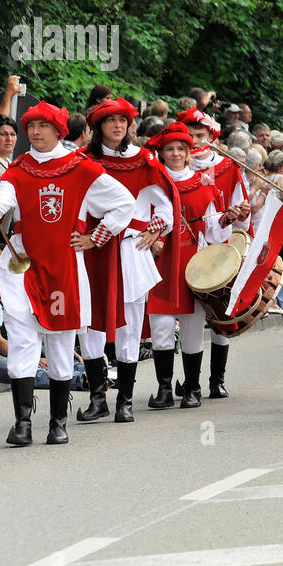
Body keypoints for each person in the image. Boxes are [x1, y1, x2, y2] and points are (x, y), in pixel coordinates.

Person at [0, 101, 137, 446]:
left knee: (62, 342)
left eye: (42, 127)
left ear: (58, 131)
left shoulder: (81, 168)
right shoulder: (17, 170)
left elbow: (125, 202)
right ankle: (22, 424)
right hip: (22, 263)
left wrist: (96, 237)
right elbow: (4, 199)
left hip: (64, 265)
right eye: (31, 127)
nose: (34, 133)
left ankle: (57, 423)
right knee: (22, 339)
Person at [75, 97, 181, 421]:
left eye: (123, 120)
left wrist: (155, 232)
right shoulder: (81, 161)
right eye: (111, 121)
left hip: (130, 249)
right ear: (98, 126)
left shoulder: (145, 160)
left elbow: (166, 205)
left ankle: (125, 400)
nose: (118, 126)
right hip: (91, 248)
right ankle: (97, 399)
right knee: (89, 320)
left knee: (131, 325)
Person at [145, 121, 237, 408]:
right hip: (159, 263)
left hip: (191, 264)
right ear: (162, 152)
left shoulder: (203, 185)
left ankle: (193, 388)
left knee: (191, 327)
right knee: (160, 326)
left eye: (180, 149)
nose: (175, 154)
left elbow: (214, 232)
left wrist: (226, 219)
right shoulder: (151, 185)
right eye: (169, 149)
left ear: (188, 152)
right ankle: (163, 390)